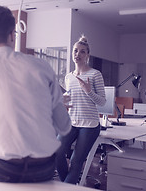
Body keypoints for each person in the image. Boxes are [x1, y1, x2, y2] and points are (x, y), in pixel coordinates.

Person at [0, 5, 71, 183]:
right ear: (12, 34)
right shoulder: (42, 67)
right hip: (44, 167)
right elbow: (64, 127)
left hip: (0, 168)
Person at [56, 35, 106, 184]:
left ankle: (67, 186)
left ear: (87, 55)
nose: (78, 54)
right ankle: (70, 185)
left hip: (89, 125)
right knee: (56, 152)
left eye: (82, 52)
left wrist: (89, 91)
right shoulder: (68, 77)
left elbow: (102, 102)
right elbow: (70, 99)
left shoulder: (95, 74)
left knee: (75, 161)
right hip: (71, 122)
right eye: (75, 51)